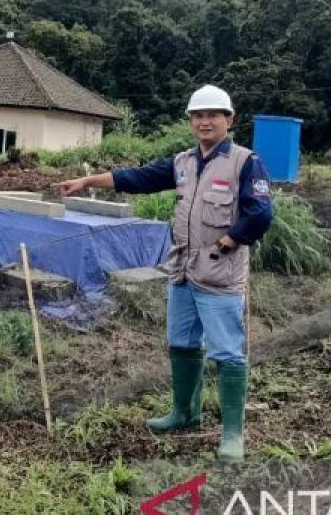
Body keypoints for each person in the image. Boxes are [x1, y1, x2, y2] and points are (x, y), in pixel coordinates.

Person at [55, 84, 273, 462]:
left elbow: (260, 213)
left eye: (213, 115)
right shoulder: (183, 163)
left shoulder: (244, 162)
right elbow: (138, 178)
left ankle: (232, 434)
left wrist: (227, 242)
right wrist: (88, 182)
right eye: (198, 115)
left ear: (229, 120)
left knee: (226, 353)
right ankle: (184, 414)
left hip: (220, 275)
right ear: (190, 121)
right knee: (182, 344)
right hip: (183, 273)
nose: (205, 121)